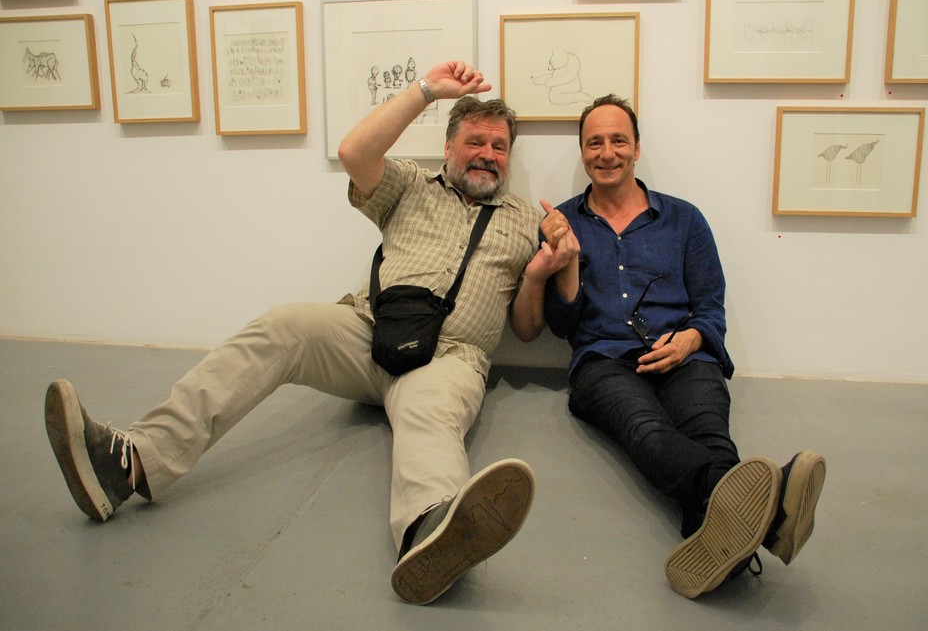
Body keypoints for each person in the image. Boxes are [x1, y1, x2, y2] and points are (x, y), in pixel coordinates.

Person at [44, 60, 571, 606]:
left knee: (429, 413)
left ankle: (430, 530)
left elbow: (527, 329)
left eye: (500, 146)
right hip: (367, 332)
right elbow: (354, 152)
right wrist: (426, 90)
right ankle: (133, 462)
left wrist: (538, 274)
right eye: (475, 141)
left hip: (450, 359)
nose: (487, 154)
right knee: (284, 324)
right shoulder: (412, 186)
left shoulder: (524, 220)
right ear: (448, 147)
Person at [538, 94, 827, 599]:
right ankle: (773, 513)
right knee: (647, 431)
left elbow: (710, 307)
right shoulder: (561, 223)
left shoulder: (684, 219)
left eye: (618, 140)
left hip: (685, 354)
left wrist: (690, 339)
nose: (607, 152)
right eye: (594, 142)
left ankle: (717, 543)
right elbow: (562, 326)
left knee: (709, 434)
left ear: (637, 148)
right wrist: (565, 261)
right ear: (583, 152)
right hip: (602, 362)